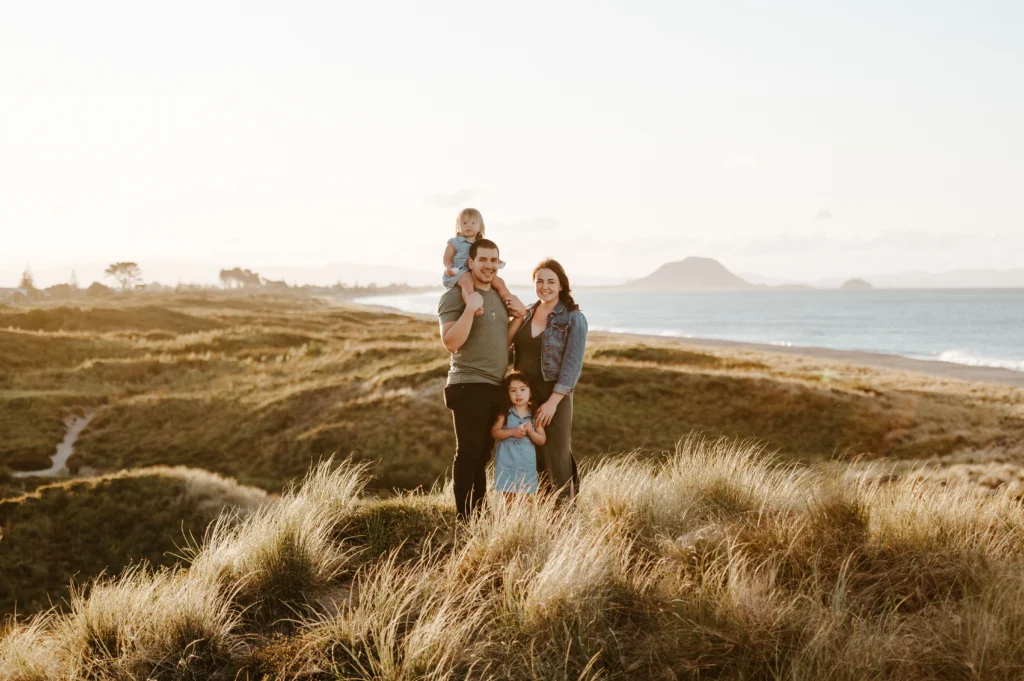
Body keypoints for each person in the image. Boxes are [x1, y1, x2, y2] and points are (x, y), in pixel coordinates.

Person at [438, 238, 511, 520]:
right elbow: (451, 342)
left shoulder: (498, 294)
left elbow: (502, 339)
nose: (489, 266)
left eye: (494, 260)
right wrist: (470, 307)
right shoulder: (454, 296)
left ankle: (479, 512)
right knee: (468, 453)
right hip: (467, 383)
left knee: (482, 454)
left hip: (495, 386)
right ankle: (465, 518)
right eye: (483, 260)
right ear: (470, 262)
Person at [508, 259, 588, 500]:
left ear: (561, 285)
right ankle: (541, 511)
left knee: (557, 452)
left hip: (554, 395)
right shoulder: (527, 313)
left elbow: (573, 364)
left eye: (551, 281)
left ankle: (564, 512)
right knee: (530, 453)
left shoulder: (574, 318)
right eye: (539, 281)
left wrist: (553, 402)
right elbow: (507, 346)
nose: (545, 286)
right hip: (524, 396)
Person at [442, 207, 526, 317]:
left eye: (473, 223)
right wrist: (449, 267)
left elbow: (488, 255)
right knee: (467, 283)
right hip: (460, 272)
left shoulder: (481, 243)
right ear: (458, 226)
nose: (468, 225)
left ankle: (508, 302)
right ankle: (472, 305)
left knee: (499, 282)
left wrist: (498, 262)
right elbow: (447, 257)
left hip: (477, 271)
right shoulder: (454, 242)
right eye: (464, 223)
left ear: (480, 227)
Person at [490, 372, 546, 502]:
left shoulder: (535, 414)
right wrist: (512, 432)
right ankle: (509, 523)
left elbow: (542, 440)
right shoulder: (504, 412)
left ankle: (521, 523)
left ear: (530, 392)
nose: (518, 394)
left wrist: (531, 432)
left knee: (525, 502)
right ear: (507, 394)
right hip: (507, 465)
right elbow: (495, 432)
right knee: (508, 501)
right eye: (513, 390)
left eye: (522, 389)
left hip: (526, 466)